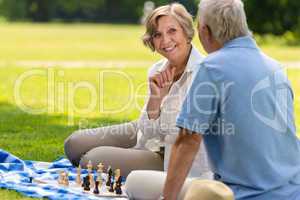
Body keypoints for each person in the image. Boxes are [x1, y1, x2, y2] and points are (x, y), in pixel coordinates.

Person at [158, 0, 300, 199]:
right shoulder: (276, 68)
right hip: (293, 192)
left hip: (242, 195)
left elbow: (187, 141)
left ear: (205, 31)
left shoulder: (212, 68)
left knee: (137, 183)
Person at [64, 3, 212, 179]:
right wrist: (156, 99)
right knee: (74, 144)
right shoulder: (157, 69)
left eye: (172, 31)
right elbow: (147, 130)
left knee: (91, 159)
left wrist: (157, 108)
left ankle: (130, 157)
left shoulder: (204, 74)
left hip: (171, 154)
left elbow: (177, 135)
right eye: (158, 35)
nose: (165, 40)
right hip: (148, 133)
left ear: (187, 33)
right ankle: (128, 154)